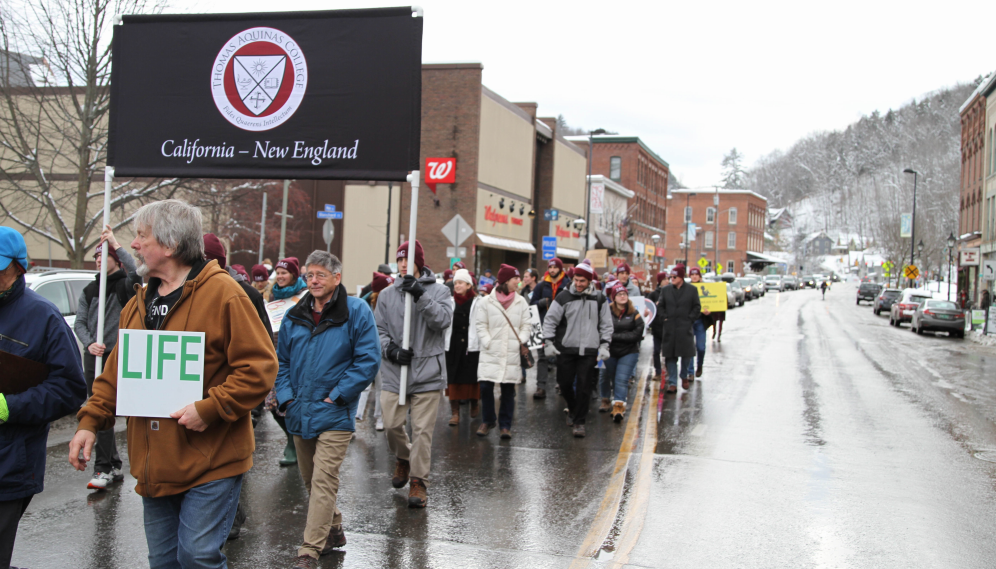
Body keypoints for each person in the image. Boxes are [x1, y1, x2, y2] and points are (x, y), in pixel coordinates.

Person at [70, 200, 278, 569]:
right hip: (156, 465)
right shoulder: (138, 303)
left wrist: (209, 409)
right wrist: (89, 422)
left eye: (140, 236)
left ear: (168, 245)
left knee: (197, 557)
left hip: (214, 460)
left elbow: (260, 368)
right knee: (164, 563)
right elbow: (115, 377)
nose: (133, 245)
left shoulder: (224, 294)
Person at [274, 251, 380, 568]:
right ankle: (333, 528)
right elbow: (282, 362)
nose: (315, 281)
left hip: (335, 412)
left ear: (337, 277)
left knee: (323, 481)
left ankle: (309, 550)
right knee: (310, 480)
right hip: (299, 411)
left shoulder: (356, 311)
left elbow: (368, 361)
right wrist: (286, 399)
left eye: (321, 274)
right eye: (310, 275)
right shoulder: (295, 315)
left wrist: (337, 396)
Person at [0, 227, 87, 567]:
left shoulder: (44, 317)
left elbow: (70, 388)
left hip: (8, 466)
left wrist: (10, 407)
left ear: (19, 267)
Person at [375, 240, 453, 508]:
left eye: (408, 258)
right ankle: (403, 457)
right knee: (391, 423)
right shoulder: (386, 295)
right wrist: (391, 350)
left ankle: (419, 482)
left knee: (422, 431)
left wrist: (421, 295)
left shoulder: (440, 291)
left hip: (428, 372)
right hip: (395, 372)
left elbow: (442, 320)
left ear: (420, 261)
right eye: (399, 259)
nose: (403, 264)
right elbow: (379, 331)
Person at [74, 225, 141, 490]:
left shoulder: (125, 285)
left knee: (129, 410)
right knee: (99, 408)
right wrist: (90, 343)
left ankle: (134, 462)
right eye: (97, 256)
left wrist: (115, 242)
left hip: (121, 355)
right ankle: (106, 466)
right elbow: (80, 322)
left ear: (116, 259)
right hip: (95, 357)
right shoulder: (90, 290)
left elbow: (136, 271)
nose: (101, 259)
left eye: (106, 255)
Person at [541, 261, 613, 437]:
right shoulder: (563, 297)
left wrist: (604, 345)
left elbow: (606, 324)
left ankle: (580, 422)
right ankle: (573, 408)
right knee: (564, 384)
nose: (579, 284)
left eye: (582, 281)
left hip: (589, 350)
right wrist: (548, 342)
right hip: (566, 348)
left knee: (584, 386)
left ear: (590, 281)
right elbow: (550, 320)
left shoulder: (599, 299)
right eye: (576, 280)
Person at [476, 265, 531, 439]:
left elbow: (526, 325)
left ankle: (505, 426)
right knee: (485, 387)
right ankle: (488, 420)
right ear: (506, 280)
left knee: (508, 389)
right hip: (490, 350)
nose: (518, 281)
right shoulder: (486, 302)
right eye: (516, 278)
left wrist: (519, 341)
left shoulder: (521, 301)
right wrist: (487, 342)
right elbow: (480, 325)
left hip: (511, 351)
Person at [599, 282, 643, 421]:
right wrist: (621, 336)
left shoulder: (634, 313)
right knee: (607, 376)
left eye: (624, 294)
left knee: (621, 379)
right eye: (619, 294)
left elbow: (637, 335)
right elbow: (601, 330)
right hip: (609, 352)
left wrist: (614, 336)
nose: (622, 296)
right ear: (614, 298)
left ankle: (618, 407)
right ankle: (605, 398)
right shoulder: (606, 312)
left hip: (629, 352)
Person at [445, 269, 481, 426]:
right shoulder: (449, 301)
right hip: (453, 345)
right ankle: (455, 412)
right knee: (453, 378)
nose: (457, 286)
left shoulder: (478, 302)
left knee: (472, 377)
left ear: (468, 285)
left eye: (460, 283)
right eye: (455, 283)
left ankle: (474, 402)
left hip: (471, 344)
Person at [656, 265, 700, 393]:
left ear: (681, 277)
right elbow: (661, 306)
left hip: (684, 327)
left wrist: (689, 319)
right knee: (670, 357)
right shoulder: (665, 290)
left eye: (674, 277)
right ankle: (673, 383)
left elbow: (697, 307)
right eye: (670, 277)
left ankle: (684, 376)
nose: (672, 279)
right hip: (670, 327)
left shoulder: (692, 290)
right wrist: (664, 318)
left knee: (686, 355)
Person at [529, 258, 567, 400]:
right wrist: (541, 302)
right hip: (544, 325)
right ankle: (541, 387)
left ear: (560, 269)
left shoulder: (567, 283)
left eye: (555, 267)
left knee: (562, 357)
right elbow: (531, 303)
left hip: (562, 326)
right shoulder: (541, 285)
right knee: (542, 357)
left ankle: (562, 385)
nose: (552, 270)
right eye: (550, 267)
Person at [360, 272, 394, 431]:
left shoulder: (390, 303)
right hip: (365, 351)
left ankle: (379, 417)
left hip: (382, 351)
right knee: (363, 385)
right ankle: (356, 416)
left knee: (381, 385)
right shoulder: (364, 305)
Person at [685, 268, 712, 379]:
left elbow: (713, 302)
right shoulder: (686, 289)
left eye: (697, 274)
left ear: (700, 276)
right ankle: (690, 372)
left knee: (701, 347)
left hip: (701, 320)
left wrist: (709, 312)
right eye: (693, 274)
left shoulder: (707, 288)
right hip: (690, 321)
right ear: (690, 276)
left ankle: (699, 365)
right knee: (690, 347)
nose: (695, 276)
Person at [645, 272, 667, 380]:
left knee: (668, 350)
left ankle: (668, 369)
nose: (667, 281)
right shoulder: (654, 294)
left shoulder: (671, 292)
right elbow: (647, 307)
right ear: (660, 281)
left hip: (668, 326)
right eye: (665, 279)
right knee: (657, 351)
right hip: (657, 326)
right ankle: (658, 371)